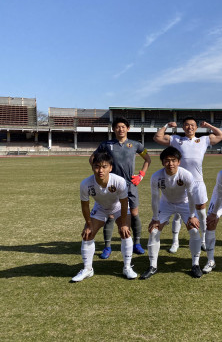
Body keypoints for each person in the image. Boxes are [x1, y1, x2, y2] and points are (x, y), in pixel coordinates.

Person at [153, 116, 222, 252]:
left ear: (196, 127)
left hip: (198, 182)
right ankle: (175, 242)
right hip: (180, 182)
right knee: (177, 214)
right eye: (186, 125)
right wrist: (167, 125)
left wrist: (208, 125)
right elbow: (157, 137)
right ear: (183, 127)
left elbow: (221, 135)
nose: (189, 127)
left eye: (192, 125)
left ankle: (203, 239)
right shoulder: (176, 139)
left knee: (201, 213)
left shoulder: (203, 140)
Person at [90, 116, 151, 259]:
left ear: (128, 129)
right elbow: (92, 159)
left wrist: (141, 175)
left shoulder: (135, 145)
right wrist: (101, 174)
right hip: (113, 187)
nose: (120, 129)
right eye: (117, 127)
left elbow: (147, 159)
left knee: (134, 214)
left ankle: (137, 243)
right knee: (111, 215)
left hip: (130, 185)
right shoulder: (106, 144)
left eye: (123, 127)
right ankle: (107, 246)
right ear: (113, 129)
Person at [72, 150, 137, 282]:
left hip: (118, 207)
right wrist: (88, 224)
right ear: (92, 167)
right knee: (87, 234)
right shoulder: (85, 184)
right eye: (97, 166)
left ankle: (127, 267)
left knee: (125, 232)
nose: (100, 170)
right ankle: (87, 269)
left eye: (104, 166)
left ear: (110, 168)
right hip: (100, 208)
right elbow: (85, 206)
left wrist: (124, 223)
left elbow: (124, 203)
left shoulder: (119, 181)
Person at [140, 147, 203, 279]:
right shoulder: (156, 176)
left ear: (179, 162)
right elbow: (155, 198)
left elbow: (192, 197)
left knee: (194, 231)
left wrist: (192, 216)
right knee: (154, 231)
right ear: (162, 162)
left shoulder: (186, 175)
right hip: (166, 203)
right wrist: (155, 217)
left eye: (173, 160)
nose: (170, 164)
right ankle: (153, 266)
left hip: (184, 203)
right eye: (167, 161)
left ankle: (195, 264)